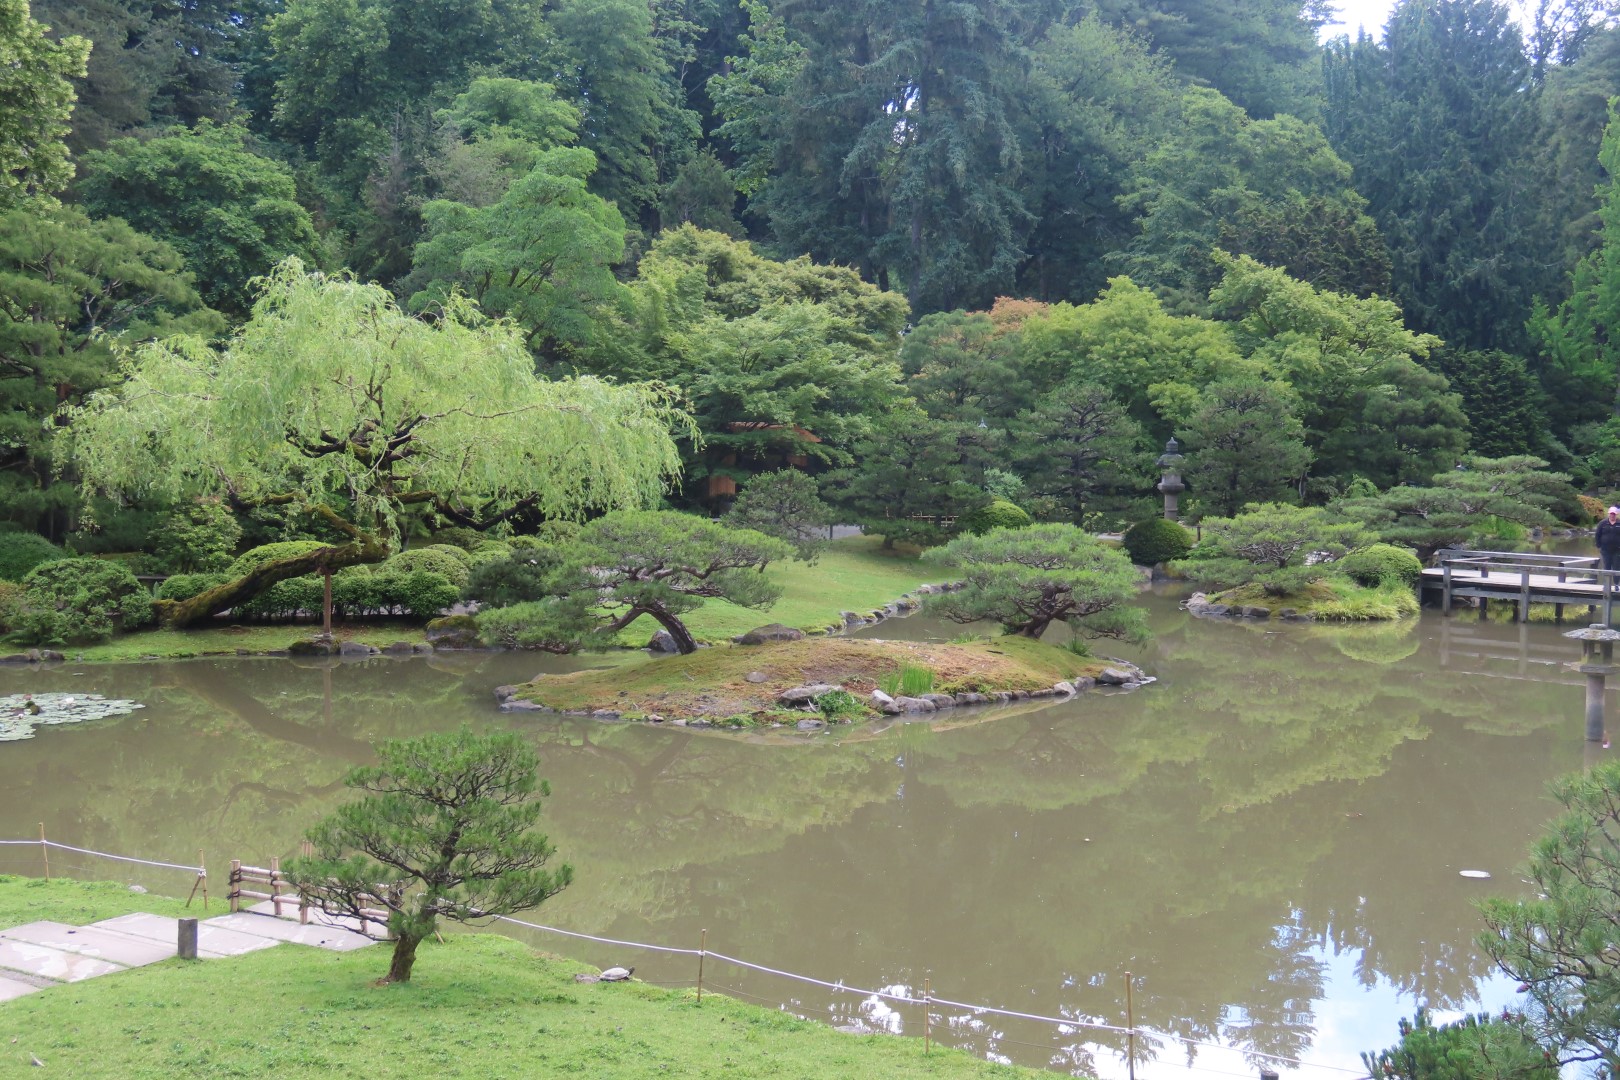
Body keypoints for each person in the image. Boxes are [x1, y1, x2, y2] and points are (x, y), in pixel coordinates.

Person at [1598, 506, 1620, 572]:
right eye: (1611, 514)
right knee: (1606, 567)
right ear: (1608, 514)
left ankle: (1617, 582)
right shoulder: (1602, 523)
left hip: (1617, 550)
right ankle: (1606, 582)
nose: (1612, 515)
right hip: (1605, 550)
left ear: (1616, 514)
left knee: (1617, 567)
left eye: (1614, 514)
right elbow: (1598, 535)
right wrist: (1598, 545)